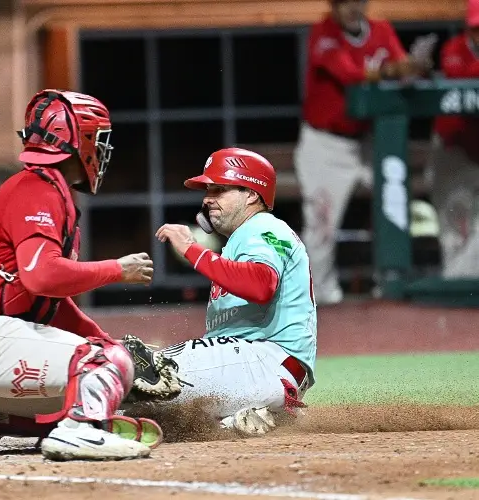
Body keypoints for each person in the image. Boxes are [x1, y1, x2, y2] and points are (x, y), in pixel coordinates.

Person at [0, 90, 164, 462]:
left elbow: (47, 302)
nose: (104, 151)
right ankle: (84, 433)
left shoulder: (46, 190)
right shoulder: (37, 188)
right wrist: (117, 270)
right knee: (103, 366)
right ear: (80, 141)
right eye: (100, 139)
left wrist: (106, 342)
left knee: (99, 377)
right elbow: (42, 277)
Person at [149, 147, 316, 436]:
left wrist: (192, 250)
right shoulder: (241, 239)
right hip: (253, 365)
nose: (207, 199)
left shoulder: (263, 228)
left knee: (141, 372)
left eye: (219, 190)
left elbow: (261, 285)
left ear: (252, 194)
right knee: (167, 416)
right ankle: (239, 420)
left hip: (265, 360)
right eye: (207, 191)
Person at [294, 0, 436, 304]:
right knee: (321, 225)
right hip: (326, 144)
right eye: (343, 2)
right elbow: (351, 75)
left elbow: (402, 68)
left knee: (395, 210)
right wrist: (397, 69)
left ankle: (391, 289)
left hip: (371, 141)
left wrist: (412, 68)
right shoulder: (323, 33)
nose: (350, 8)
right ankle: (320, 301)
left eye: (355, 0)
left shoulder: (381, 31)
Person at [427, 0, 479, 278]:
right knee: (457, 229)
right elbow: (463, 78)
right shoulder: (453, 50)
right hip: (453, 151)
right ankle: (455, 297)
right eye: (476, 28)